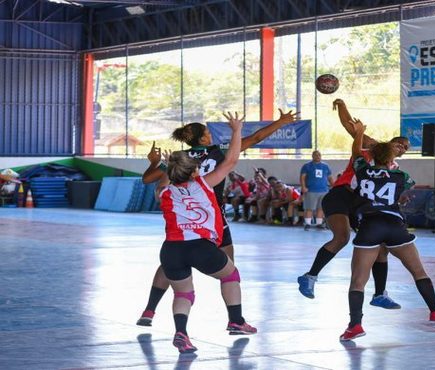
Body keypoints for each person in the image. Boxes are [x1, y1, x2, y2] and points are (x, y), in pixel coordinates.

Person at [137, 108, 298, 326]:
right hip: (213, 215)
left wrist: (155, 162)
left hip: (182, 214)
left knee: (171, 264)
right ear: (203, 138)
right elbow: (256, 138)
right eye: (207, 132)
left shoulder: (179, 159)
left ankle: (149, 311)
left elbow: (148, 179)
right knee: (228, 269)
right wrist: (281, 122)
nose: (210, 133)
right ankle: (235, 319)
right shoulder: (218, 151)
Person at [339, 119, 435, 341]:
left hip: (370, 225)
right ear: (391, 158)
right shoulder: (401, 176)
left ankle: (355, 325)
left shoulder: (362, 169)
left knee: (358, 281)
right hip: (394, 225)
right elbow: (405, 188)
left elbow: (356, 151)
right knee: (419, 272)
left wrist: (360, 133)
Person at [156, 112, 256, 354]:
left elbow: (164, 180)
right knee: (230, 275)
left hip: (171, 250)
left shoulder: (164, 192)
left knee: (183, 293)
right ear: (193, 173)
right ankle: (236, 320)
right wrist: (235, 131)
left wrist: (171, 165)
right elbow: (230, 161)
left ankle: (181, 332)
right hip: (200, 247)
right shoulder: (203, 184)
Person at [297, 99, 409, 310]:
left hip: (362, 204)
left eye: (406, 147)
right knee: (341, 237)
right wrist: (341, 105)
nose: (402, 147)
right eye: (400, 143)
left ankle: (379, 294)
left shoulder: (394, 168)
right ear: (391, 142)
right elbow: (351, 126)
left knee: (381, 246)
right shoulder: (373, 147)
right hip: (341, 195)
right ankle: (310, 277)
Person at [300, 150, 333, 230]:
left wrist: (334, 186)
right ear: (312, 156)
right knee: (309, 208)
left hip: (323, 190)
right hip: (311, 190)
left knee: (321, 208)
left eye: (319, 155)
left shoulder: (326, 166)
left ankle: (319, 223)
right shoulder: (307, 166)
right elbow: (302, 177)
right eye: (315, 155)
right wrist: (303, 187)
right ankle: (307, 223)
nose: (317, 156)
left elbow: (330, 178)